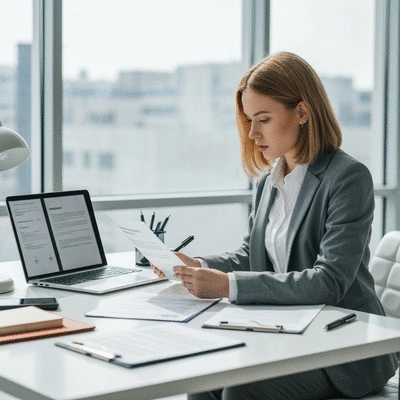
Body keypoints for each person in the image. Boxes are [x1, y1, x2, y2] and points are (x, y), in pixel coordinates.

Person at [152, 51, 398, 400]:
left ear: (302, 112)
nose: (252, 133)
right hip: (287, 335)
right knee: (201, 382)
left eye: (263, 119)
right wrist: (199, 266)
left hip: (346, 350)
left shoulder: (347, 178)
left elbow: (329, 282)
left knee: (240, 393)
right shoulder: (269, 181)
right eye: (249, 120)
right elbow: (251, 254)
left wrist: (227, 286)